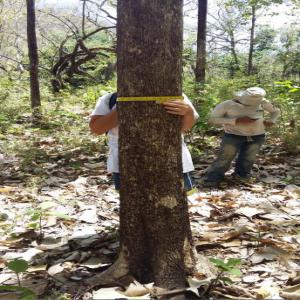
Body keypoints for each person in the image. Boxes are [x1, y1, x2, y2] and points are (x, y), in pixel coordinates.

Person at [89, 93, 199, 192]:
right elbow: (97, 128)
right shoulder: (109, 99)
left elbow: (186, 126)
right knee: (134, 203)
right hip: (126, 164)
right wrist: (122, 109)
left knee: (177, 202)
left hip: (173, 161)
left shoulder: (175, 93)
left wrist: (188, 111)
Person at [202, 87, 280, 187]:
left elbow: (275, 111)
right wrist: (236, 121)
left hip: (257, 135)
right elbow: (212, 119)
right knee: (224, 157)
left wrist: (272, 121)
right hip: (233, 135)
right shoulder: (228, 104)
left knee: (249, 158)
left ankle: (241, 176)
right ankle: (213, 178)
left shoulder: (263, 102)